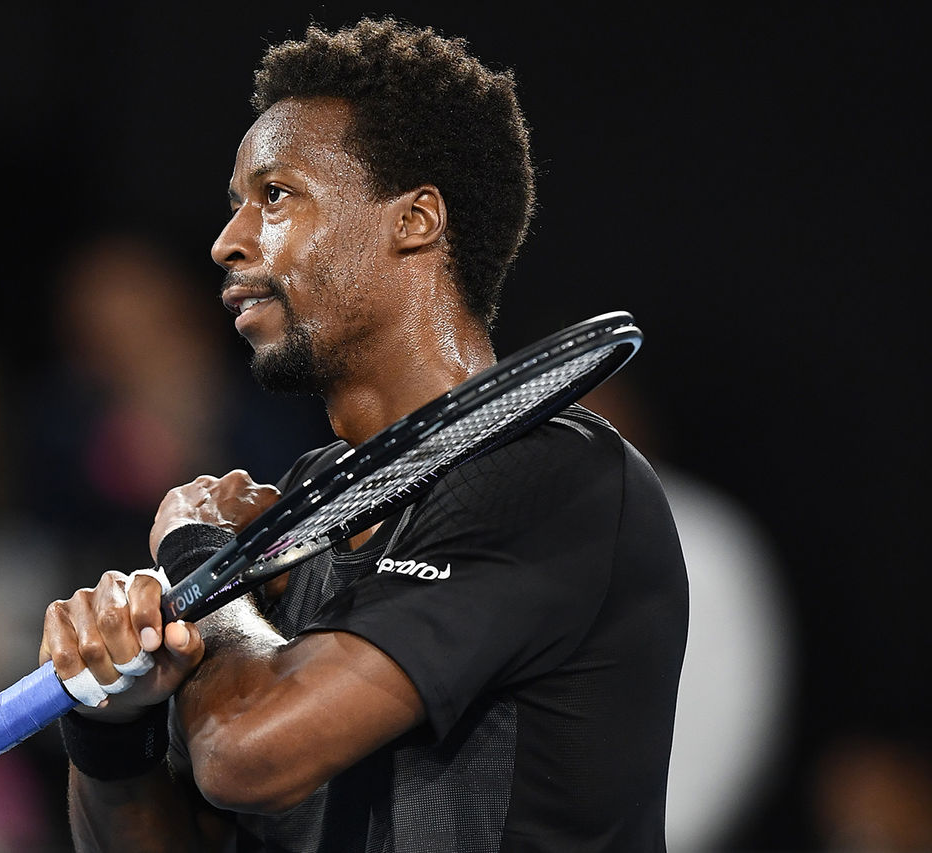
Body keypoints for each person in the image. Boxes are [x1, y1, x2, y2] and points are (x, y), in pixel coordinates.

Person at [39, 18, 688, 852]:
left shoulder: (558, 476)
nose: (227, 241)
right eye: (235, 204)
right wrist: (110, 722)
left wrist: (202, 556)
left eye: (274, 196)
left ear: (414, 220)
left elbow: (246, 753)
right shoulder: (296, 512)